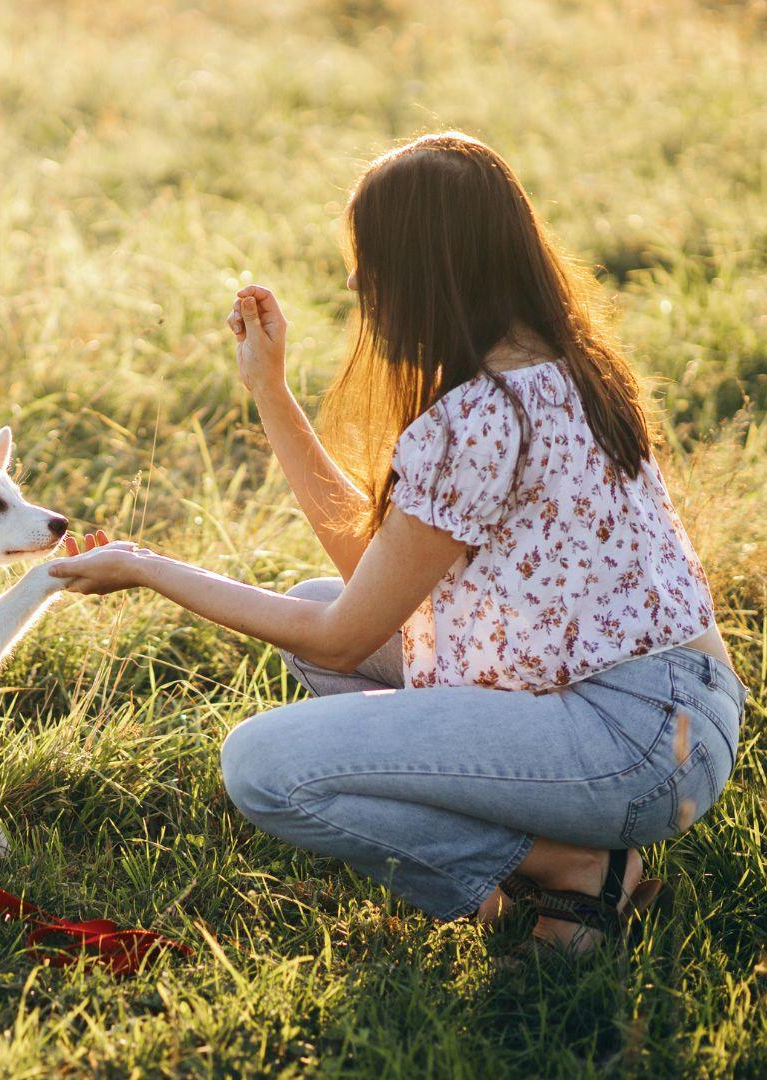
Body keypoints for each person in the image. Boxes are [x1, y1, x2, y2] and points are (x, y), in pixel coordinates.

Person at [49, 132, 747, 957]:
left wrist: (144, 566)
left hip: (633, 744)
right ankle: (573, 860)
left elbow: (346, 634)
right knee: (313, 605)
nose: (355, 283)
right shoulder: (562, 369)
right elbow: (368, 584)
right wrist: (270, 392)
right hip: (675, 715)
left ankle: (572, 867)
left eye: (367, 263)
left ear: (423, 269)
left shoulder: (484, 415)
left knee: (262, 767)